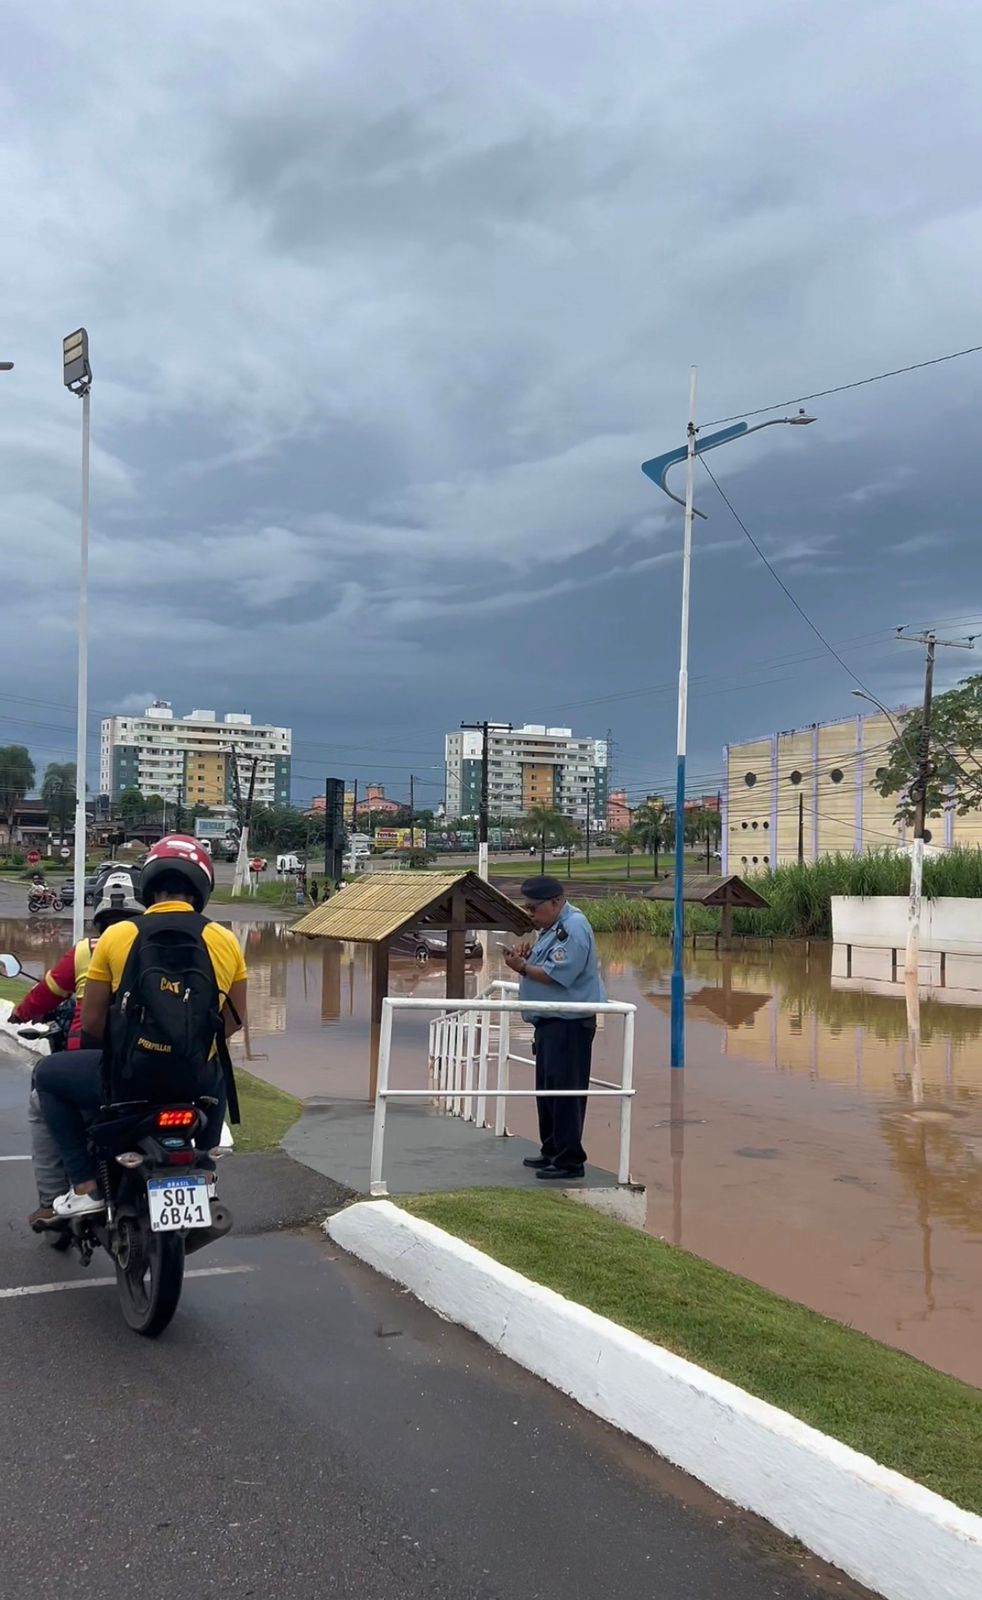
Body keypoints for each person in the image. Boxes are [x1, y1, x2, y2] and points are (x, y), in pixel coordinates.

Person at [35, 835, 247, 1219]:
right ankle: (207, 1173)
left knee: (47, 1075)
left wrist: (128, 1050)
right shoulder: (225, 940)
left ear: (149, 885)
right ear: (201, 887)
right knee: (217, 1066)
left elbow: (95, 1021)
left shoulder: (118, 935)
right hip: (195, 1083)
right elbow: (233, 1021)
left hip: (129, 1081)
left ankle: (84, 1186)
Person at [14, 872, 144, 1228]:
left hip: (96, 1066)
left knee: (44, 1094)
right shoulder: (159, 947)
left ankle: (59, 1197)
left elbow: (47, 993)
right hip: (160, 1066)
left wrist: (19, 1012)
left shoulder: (88, 950)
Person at [503, 875, 606, 1181]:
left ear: (555, 902)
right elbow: (543, 964)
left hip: (569, 1024)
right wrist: (525, 957)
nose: (531, 914)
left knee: (565, 1094)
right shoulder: (551, 929)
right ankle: (551, 1151)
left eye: (534, 908)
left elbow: (559, 975)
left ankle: (569, 1160)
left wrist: (522, 968)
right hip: (549, 1023)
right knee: (548, 1092)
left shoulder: (573, 928)